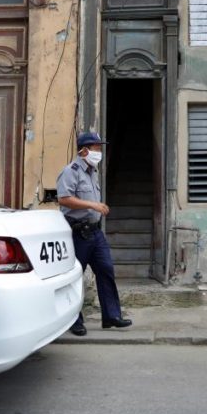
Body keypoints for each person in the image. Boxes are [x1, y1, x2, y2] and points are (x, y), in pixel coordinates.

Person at [56, 131, 132, 336]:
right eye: (97, 148)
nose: (99, 152)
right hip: (77, 232)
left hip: (95, 233)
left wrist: (95, 209)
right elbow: (64, 198)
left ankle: (111, 316)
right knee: (74, 278)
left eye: (100, 148)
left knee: (106, 270)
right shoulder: (71, 171)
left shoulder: (92, 171)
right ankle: (73, 320)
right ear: (84, 150)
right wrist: (92, 204)